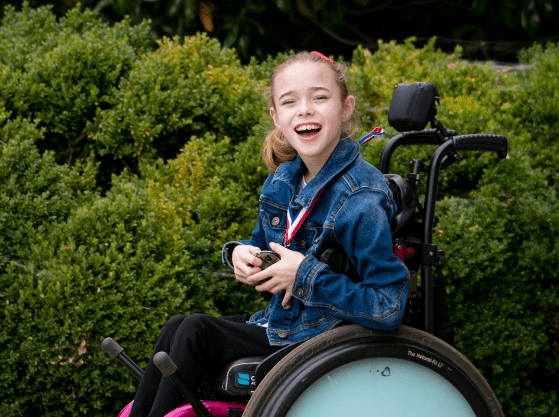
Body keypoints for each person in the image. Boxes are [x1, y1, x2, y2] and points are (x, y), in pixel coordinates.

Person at [128, 51, 412, 417]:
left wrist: (303, 275)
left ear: (346, 107)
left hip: (325, 336)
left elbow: (388, 306)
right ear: (276, 117)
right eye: (290, 102)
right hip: (286, 321)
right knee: (176, 327)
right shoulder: (284, 180)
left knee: (194, 332)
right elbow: (262, 244)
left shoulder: (360, 197)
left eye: (320, 97)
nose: (305, 110)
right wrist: (240, 254)